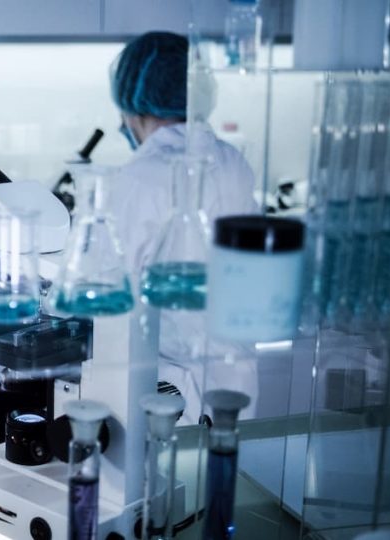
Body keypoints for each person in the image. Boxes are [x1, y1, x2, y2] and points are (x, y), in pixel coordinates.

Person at [106, 31, 260, 424]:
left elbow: (114, 287)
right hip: (234, 373)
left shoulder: (138, 177)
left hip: (165, 381)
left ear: (131, 107)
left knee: (164, 481)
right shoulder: (232, 161)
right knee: (223, 477)